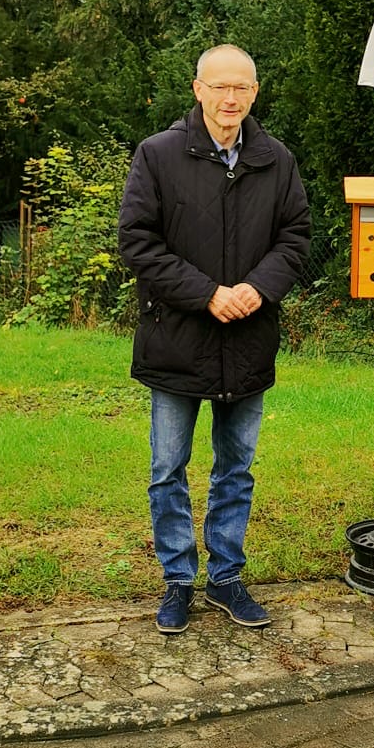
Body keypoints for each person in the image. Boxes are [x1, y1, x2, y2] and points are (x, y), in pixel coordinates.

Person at [118, 44, 311, 634]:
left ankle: (226, 576)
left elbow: (296, 237)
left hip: (248, 340)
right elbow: (138, 242)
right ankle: (178, 581)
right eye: (219, 87)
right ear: (197, 89)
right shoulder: (157, 155)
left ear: (255, 93)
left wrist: (258, 288)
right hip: (177, 338)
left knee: (236, 468)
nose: (231, 99)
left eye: (242, 88)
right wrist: (207, 293)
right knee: (167, 468)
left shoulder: (276, 161)